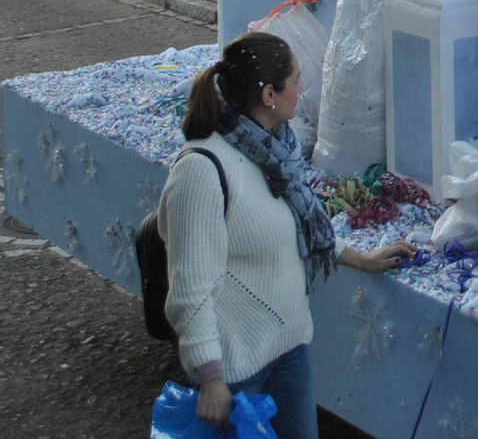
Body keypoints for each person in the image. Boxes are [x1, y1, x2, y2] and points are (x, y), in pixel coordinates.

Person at [158, 32, 415, 439]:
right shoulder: (202, 171)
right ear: (268, 95)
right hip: (236, 371)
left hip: (288, 350)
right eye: (295, 80)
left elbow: (296, 222)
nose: (302, 89)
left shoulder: (278, 153)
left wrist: (360, 259)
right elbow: (190, 289)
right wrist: (210, 378)